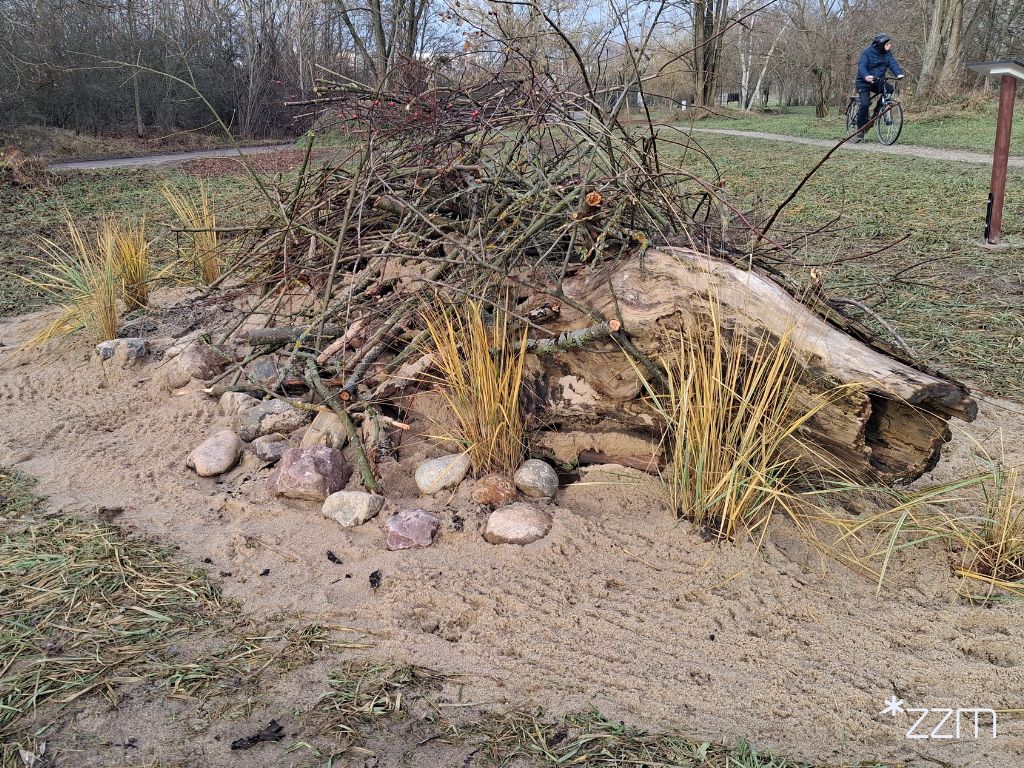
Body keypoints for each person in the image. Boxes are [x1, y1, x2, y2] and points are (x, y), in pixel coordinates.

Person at [853, 34, 905, 141]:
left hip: (878, 81)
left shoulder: (887, 54)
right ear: (880, 45)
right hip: (863, 82)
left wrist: (898, 73)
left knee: (889, 89)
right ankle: (860, 130)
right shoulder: (867, 53)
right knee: (865, 104)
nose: (889, 46)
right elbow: (862, 66)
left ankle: (879, 109)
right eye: (887, 44)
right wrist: (866, 76)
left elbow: (892, 63)